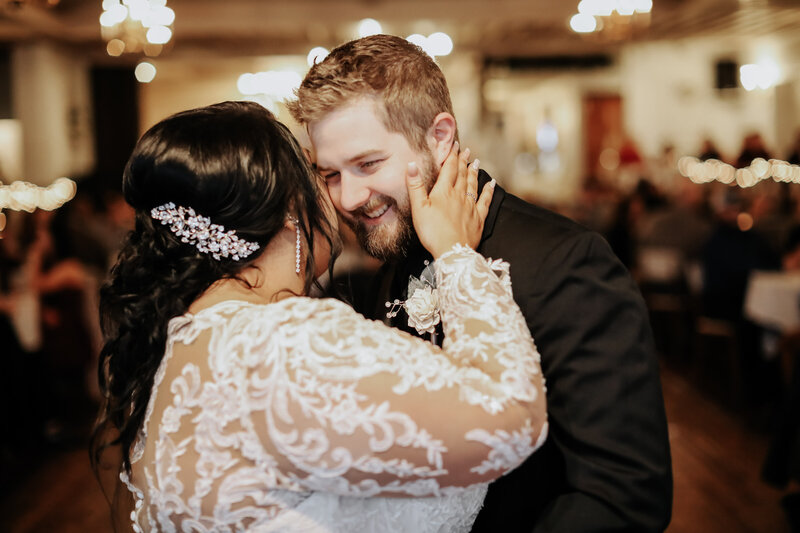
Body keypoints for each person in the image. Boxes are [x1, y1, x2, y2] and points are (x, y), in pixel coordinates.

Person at [89, 101, 548, 532]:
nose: (345, 199)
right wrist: (455, 253)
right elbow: (513, 419)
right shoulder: (280, 345)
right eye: (322, 175)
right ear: (292, 210)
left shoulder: (167, 348)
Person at [289, 34, 673, 532]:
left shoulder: (566, 260)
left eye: (367, 164)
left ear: (440, 135)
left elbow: (624, 492)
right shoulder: (387, 264)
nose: (349, 196)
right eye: (331, 174)